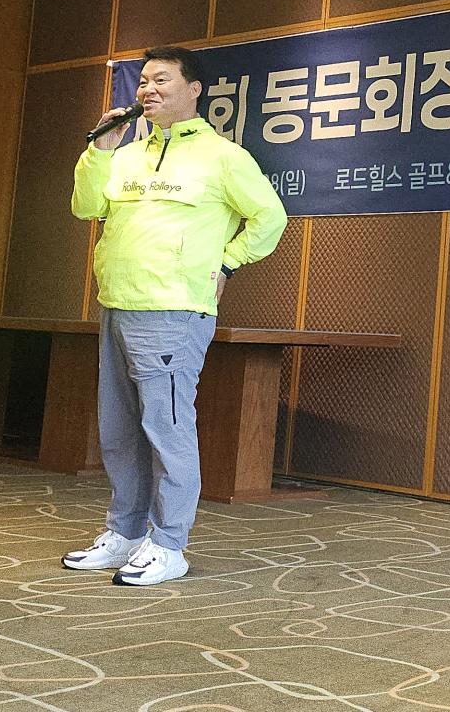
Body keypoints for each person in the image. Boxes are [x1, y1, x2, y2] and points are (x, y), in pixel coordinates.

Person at [63, 45, 287, 586]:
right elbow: (86, 207)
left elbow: (270, 217)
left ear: (194, 89)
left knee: (166, 430)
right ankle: (126, 532)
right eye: (143, 81)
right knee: (119, 431)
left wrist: (228, 263)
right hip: (117, 304)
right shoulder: (124, 155)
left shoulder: (222, 157)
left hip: (173, 311)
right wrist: (99, 151)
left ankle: (169, 543)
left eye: (162, 80)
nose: (148, 90)